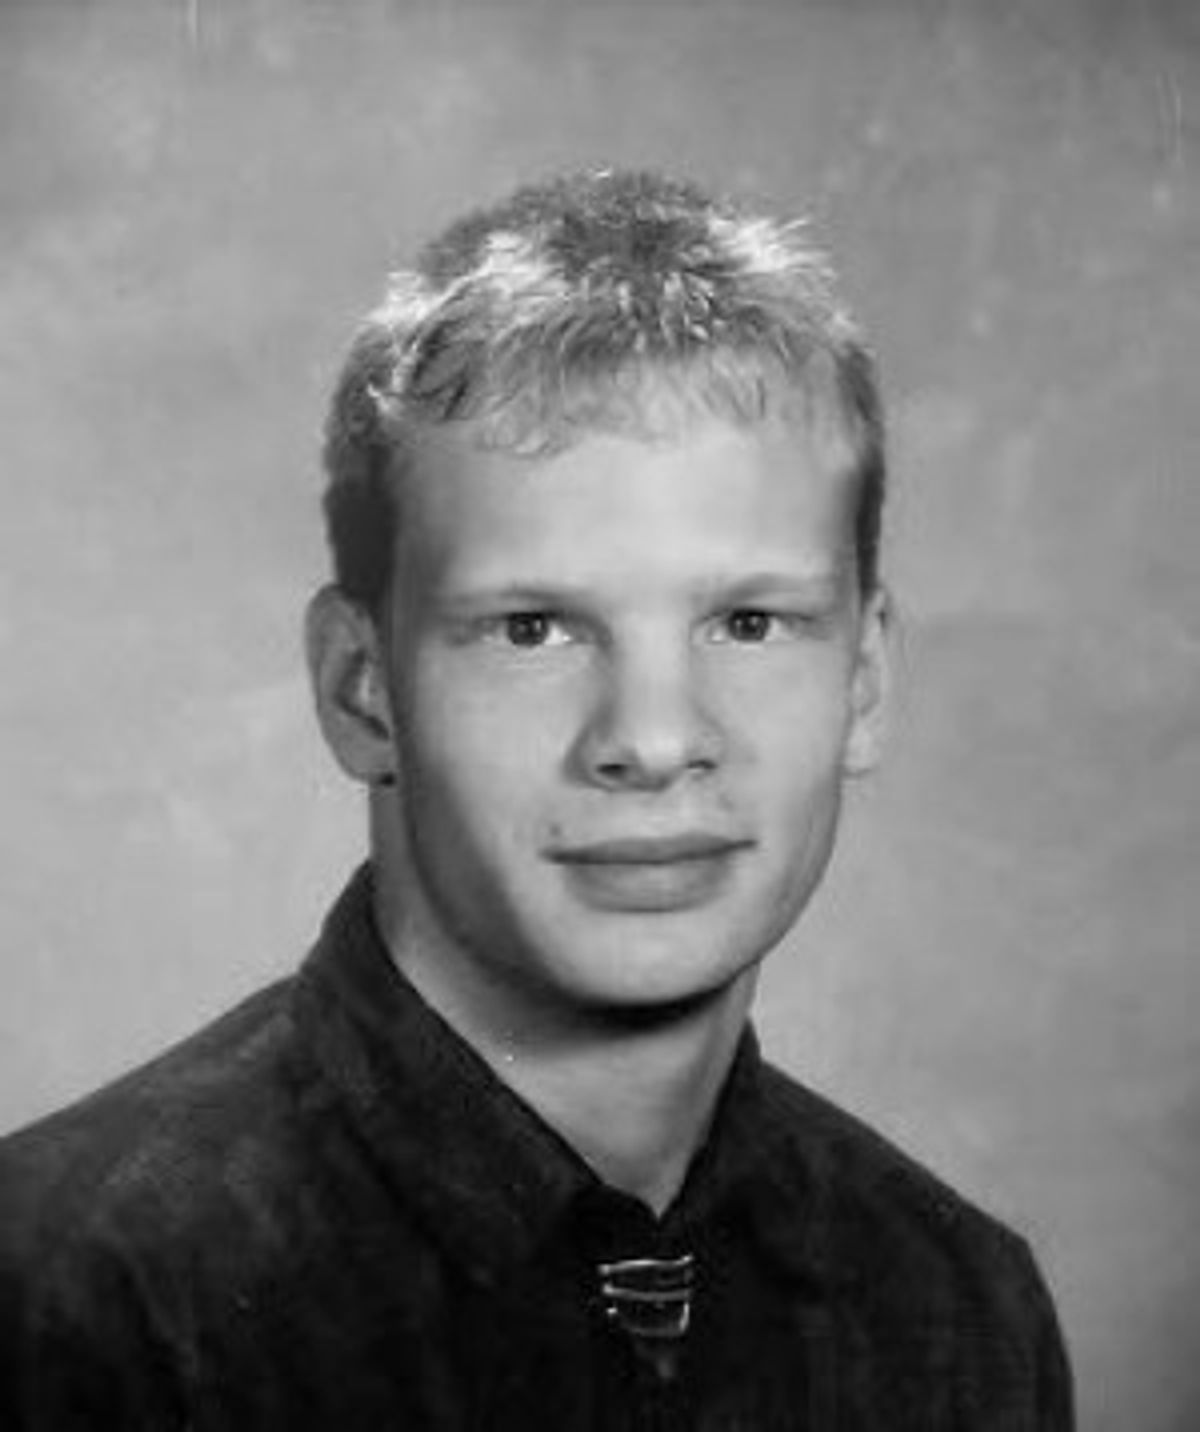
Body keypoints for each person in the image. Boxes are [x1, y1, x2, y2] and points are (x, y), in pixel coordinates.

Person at [0, 169, 1073, 1429]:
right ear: (361, 689)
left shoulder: (959, 1307)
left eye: (748, 621)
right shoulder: (70, 1301)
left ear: (867, 679)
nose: (654, 741)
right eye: (532, 628)